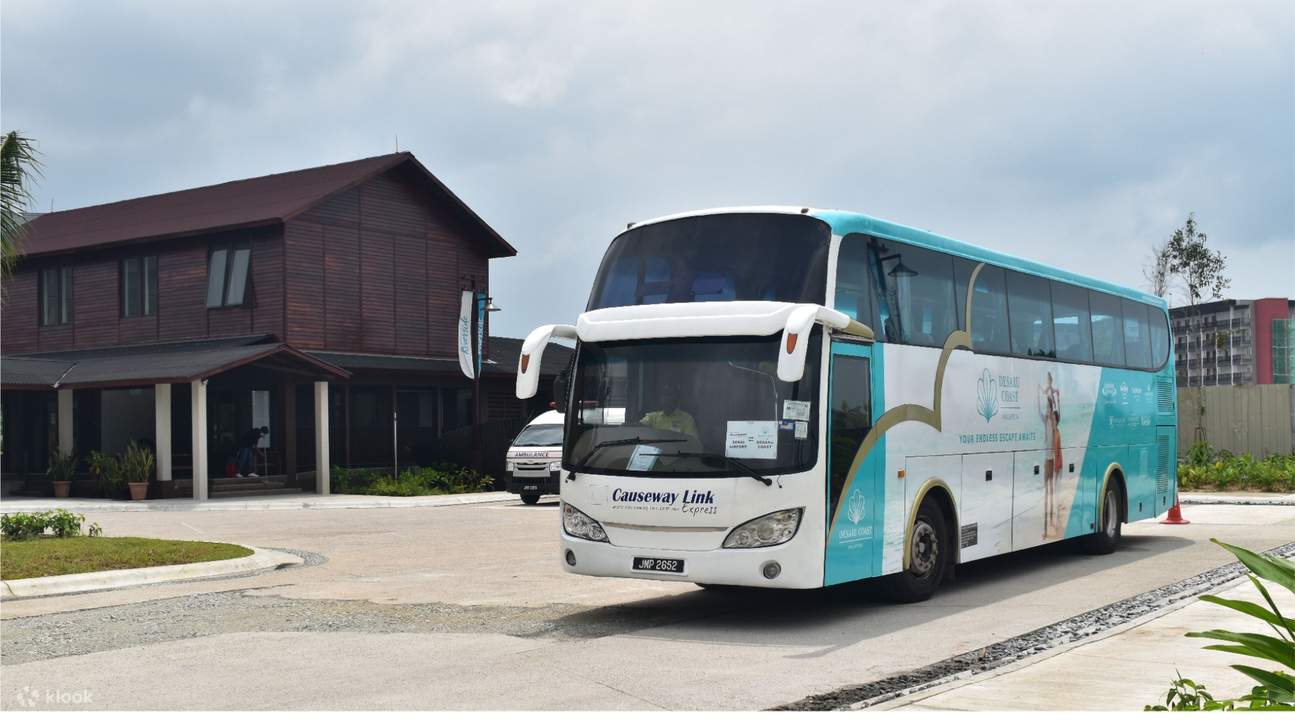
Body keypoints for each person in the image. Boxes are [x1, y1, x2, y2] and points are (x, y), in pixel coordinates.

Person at [1037, 373, 1062, 539]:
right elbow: (1040, 410)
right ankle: (1047, 527)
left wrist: (1055, 399)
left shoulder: (1055, 430)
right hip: (1047, 460)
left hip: (1052, 461)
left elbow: (1056, 410)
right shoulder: (1047, 423)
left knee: (1051, 492)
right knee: (1047, 493)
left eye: (1051, 415)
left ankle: (1052, 522)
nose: (1049, 415)